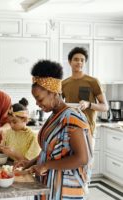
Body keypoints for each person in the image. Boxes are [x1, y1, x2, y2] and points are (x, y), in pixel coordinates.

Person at [15, 60, 93, 200]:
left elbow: (82, 158)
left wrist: (46, 166)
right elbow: (50, 152)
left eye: (39, 99)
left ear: (53, 93)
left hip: (65, 189)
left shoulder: (72, 116)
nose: (38, 104)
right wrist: (30, 163)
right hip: (49, 184)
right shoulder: (54, 116)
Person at [62, 47, 108, 134]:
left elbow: (105, 107)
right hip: (69, 128)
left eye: (82, 60)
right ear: (69, 62)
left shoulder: (93, 81)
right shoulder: (63, 83)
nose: (79, 62)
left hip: (88, 129)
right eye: (76, 59)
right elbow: (59, 105)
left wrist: (88, 104)